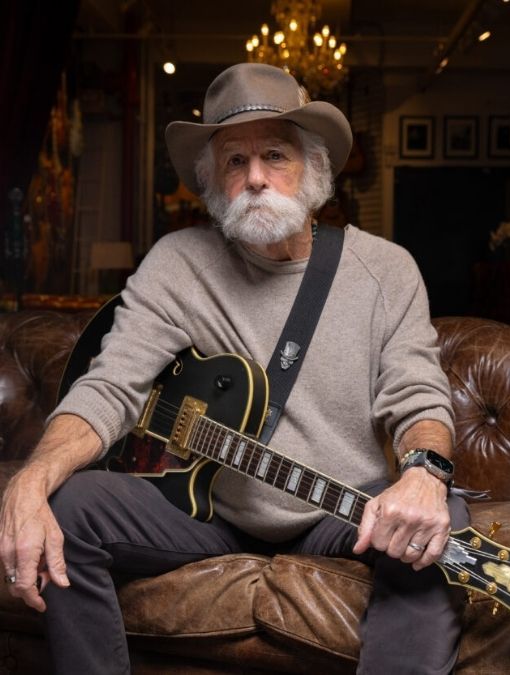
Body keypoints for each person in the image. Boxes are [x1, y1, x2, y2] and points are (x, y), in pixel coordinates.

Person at [0, 62, 466, 674]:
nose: (254, 179)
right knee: (70, 507)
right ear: (214, 182)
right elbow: (110, 387)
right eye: (234, 162)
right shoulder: (178, 263)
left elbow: (419, 395)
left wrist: (425, 473)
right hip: (207, 508)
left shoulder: (386, 269)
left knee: (440, 529)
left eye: (274, 155)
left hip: (342, 508)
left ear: (313, 168)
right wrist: (31, 480)